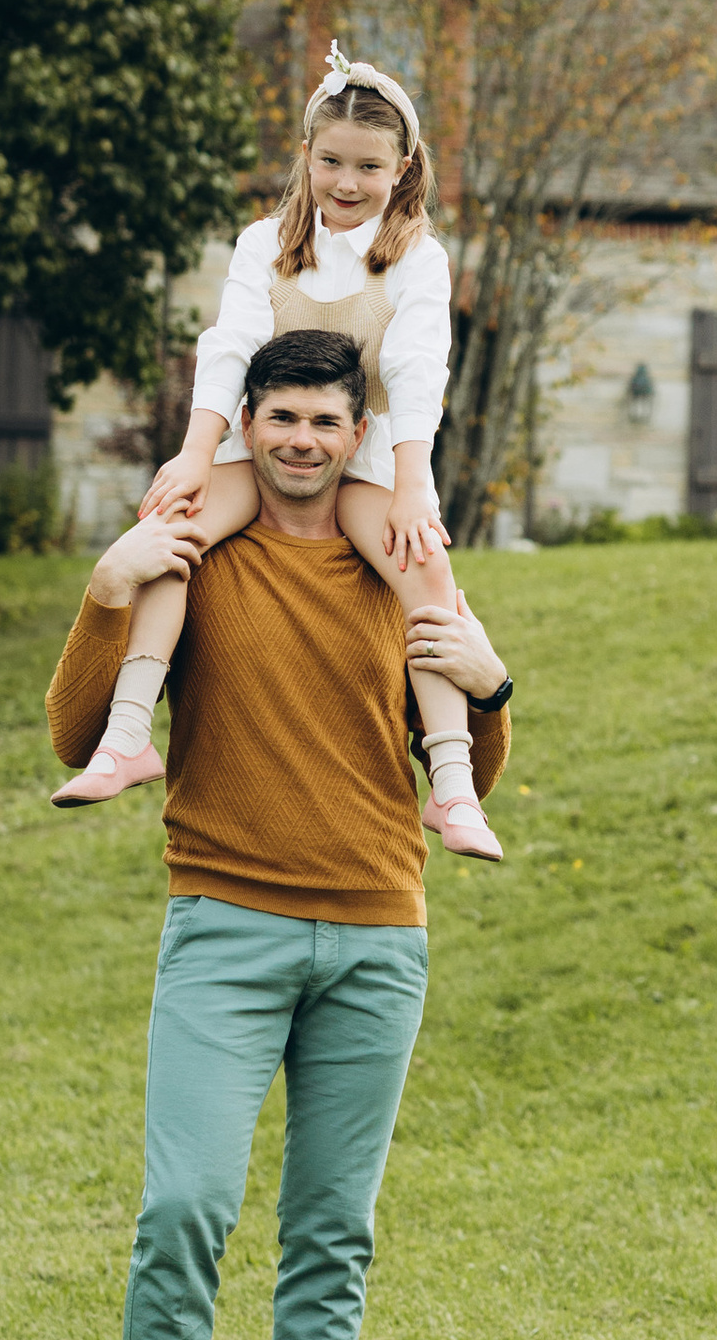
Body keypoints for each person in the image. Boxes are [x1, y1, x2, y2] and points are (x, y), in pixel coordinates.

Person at [46, 327, 514, 1340]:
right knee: (183, 1212)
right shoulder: (200, 553)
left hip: (376, 934)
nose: (301, 440)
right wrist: (105, 587)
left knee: (329, 1236)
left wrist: (494, 688)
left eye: (324, 421)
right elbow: (76, 731)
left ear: (357, 435)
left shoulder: (395, 556)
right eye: (280, 418)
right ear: (244, 421)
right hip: (225, 924)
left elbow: (456, 760)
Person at [53, 46, 499, 861]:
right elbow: (228, 348)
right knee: (173, 530)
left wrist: (412, 484)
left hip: (366, 455)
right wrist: (194, 456)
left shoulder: (418, 258)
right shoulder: (264, 243)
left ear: (402, 167)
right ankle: (126, 736)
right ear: (306, 156)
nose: (347, 182)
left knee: (425, 567)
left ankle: (453, 786)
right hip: (251, 444)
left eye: (369, 165)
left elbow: (413, 367)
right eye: (330, 161)